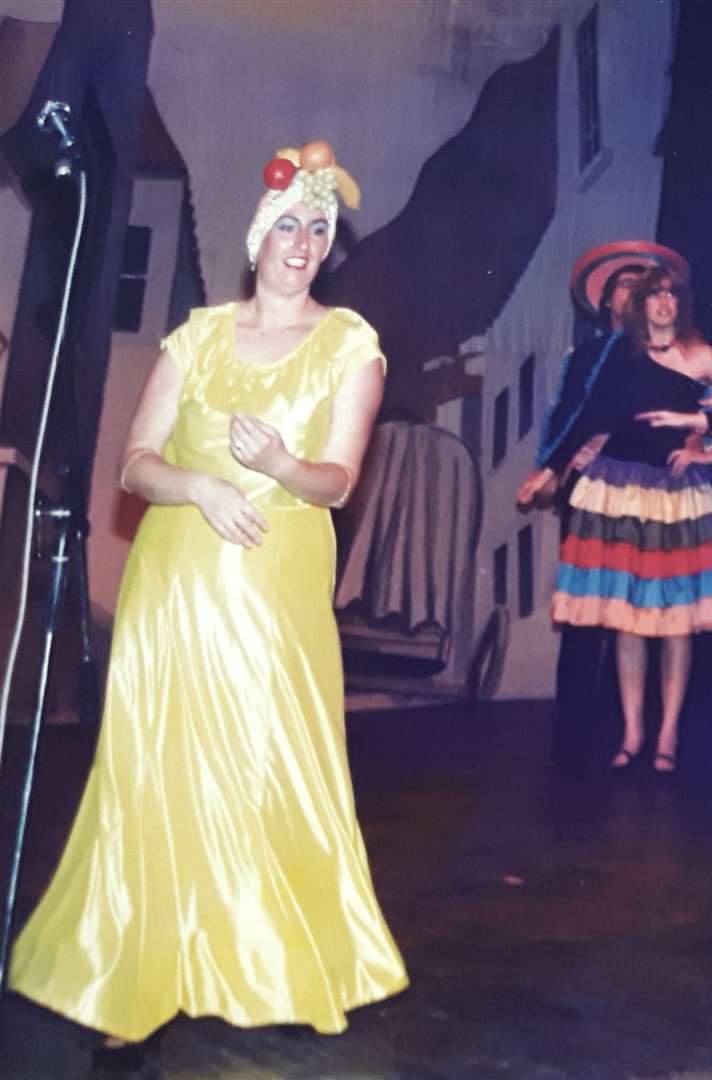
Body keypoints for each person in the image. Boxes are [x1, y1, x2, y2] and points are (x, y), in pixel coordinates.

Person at [5, 141, 405, 1067]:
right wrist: (199, 488)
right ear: (258, 237)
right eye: (288, 226)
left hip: (272, 578)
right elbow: (135, 463)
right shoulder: (194, 337)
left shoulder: (350, 346)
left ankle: (273, 965)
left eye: (318, 228)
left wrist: (275, 468)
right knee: (159, 764)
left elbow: (338, 483)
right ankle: (136, 968)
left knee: (269, 760)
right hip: (177, 575)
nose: (302, 242)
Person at [518, 242, 712, 774]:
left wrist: (705, 449)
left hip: (675, 501)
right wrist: (550, 470)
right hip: (618, 492)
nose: (663, 304)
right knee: (625, 619)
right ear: (640, 305)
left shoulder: (702, 355)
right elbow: (583, 420)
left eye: (671, 295)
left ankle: (666, 737)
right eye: (654, 295)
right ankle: (632, 734)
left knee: (674, 624)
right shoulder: (618, 357)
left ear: (680, 303)